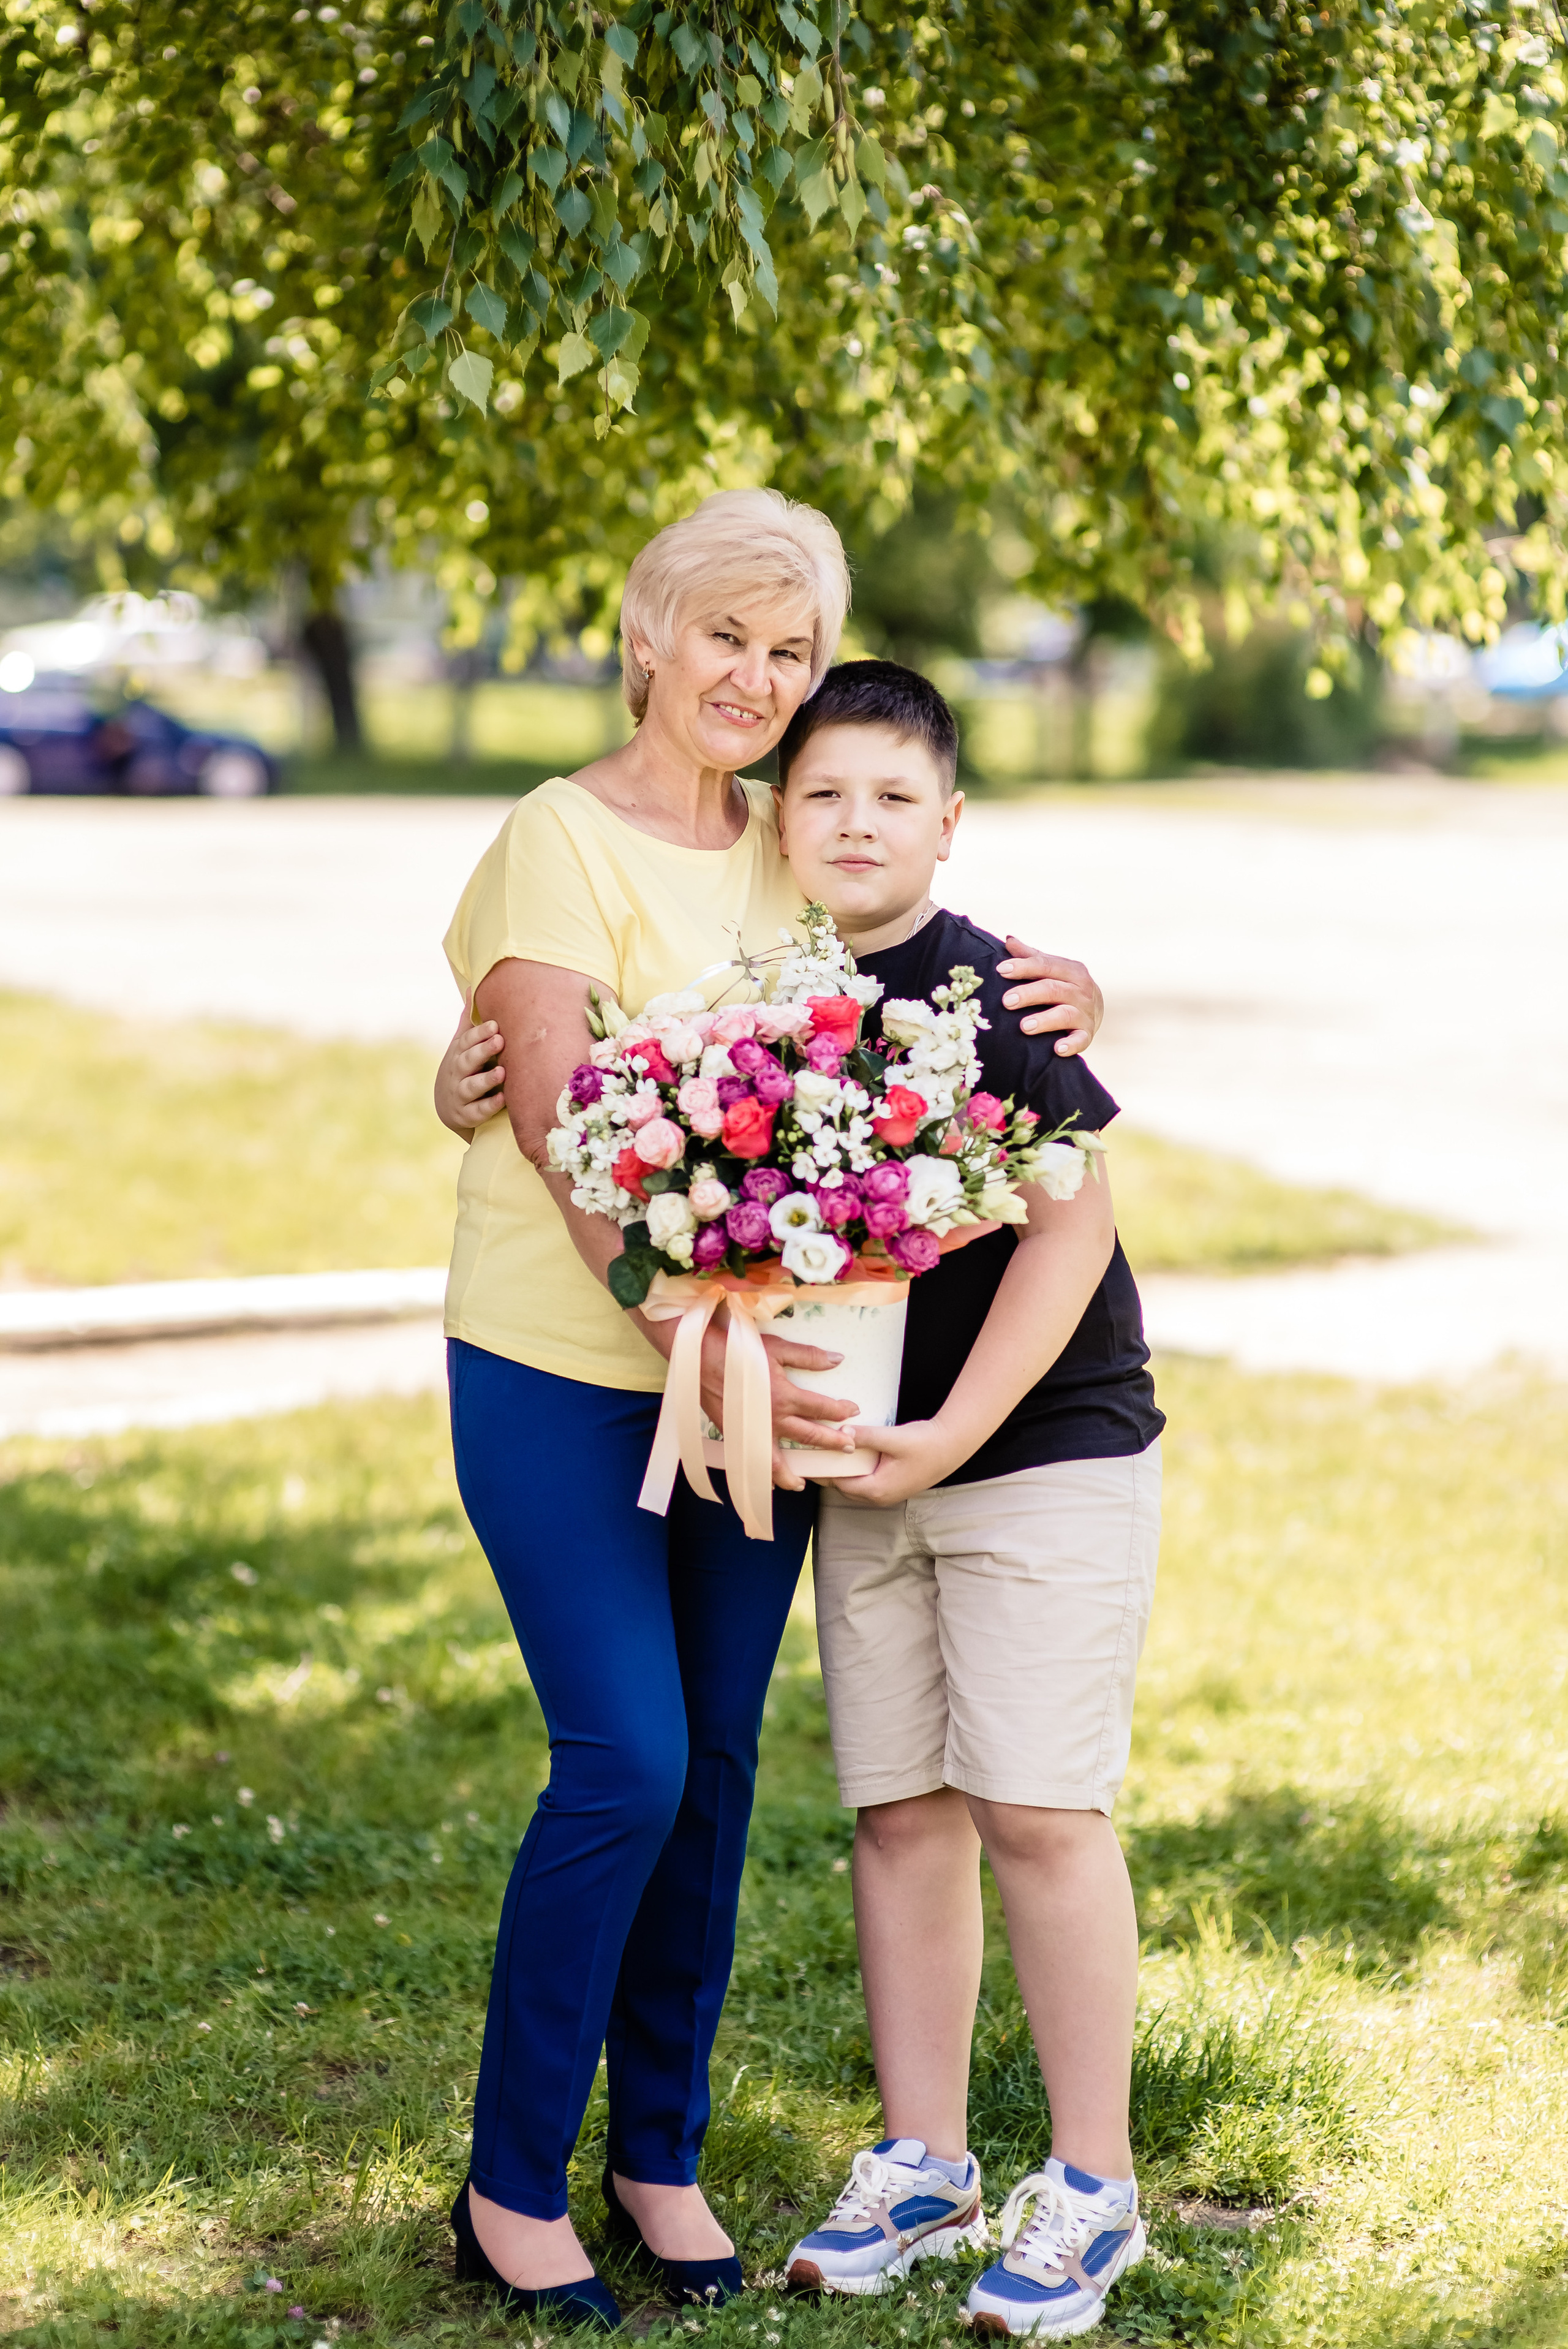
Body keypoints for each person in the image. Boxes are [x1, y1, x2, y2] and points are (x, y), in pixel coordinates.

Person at [430, 493, 1107, 2329]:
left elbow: (921, 964)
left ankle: (659, 2150)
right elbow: (573, 1129)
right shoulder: (555, 839)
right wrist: (682, 1331)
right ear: (648, 635)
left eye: (791, 651)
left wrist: (1079, 997)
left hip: (770, 1383)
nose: (756, 678)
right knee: (627, 1761)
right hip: (575, 1369)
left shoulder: (792, 849)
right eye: (725, 636)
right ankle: (509, 2181)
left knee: (719, 1771)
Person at [762, 662, 1163, 2342]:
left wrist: (951, 1432)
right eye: (824, 793)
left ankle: (1092, 2187)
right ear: (776, 819)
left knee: (1037, 1809)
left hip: (1039, 1448)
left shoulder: (993, 990)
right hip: (870, 1458)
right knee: (900, 1810)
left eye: (893, 797)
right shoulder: (758, 991)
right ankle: (924, 2160)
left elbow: (1069, 1232)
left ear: (949, 822)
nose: (857, 823)